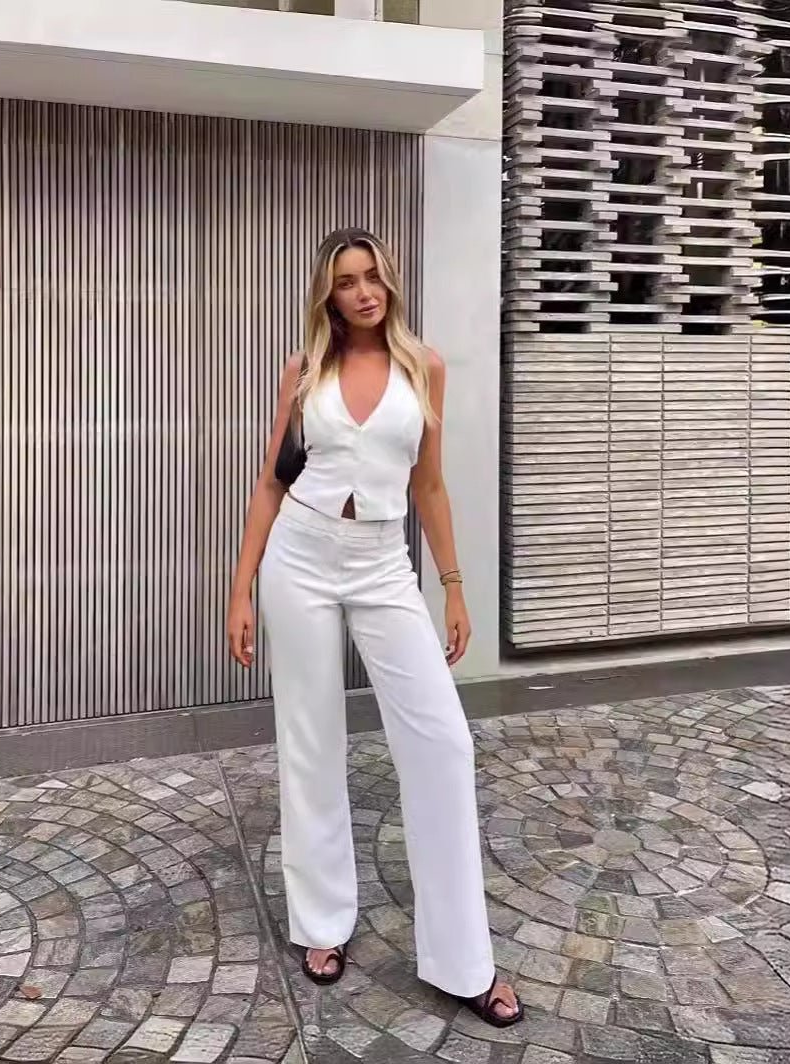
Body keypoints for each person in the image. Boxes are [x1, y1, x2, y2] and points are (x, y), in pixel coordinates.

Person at [226, 227, 523, 1027]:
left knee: (442, 741)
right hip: (301, 556)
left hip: (382, 562)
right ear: (328, 296)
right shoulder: (305, 371)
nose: (362, 292)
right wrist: (240, 588)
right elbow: (270, 484)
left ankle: (464, 961)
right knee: (311, 737)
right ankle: (321, 926)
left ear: (388, 284)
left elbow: (429, 486)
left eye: (372, 278)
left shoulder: (424, 368)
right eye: (346, 282)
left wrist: (455, 588)